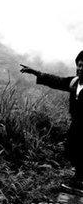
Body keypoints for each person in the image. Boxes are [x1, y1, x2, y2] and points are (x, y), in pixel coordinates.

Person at [20, 50, 83, 191]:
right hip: (76, 124)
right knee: (71, 149)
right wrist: (36, 73)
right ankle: (79, 177)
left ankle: (79, 180)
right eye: (79, 65)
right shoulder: (74, 82)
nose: (80, 69)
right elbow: (56, 81)